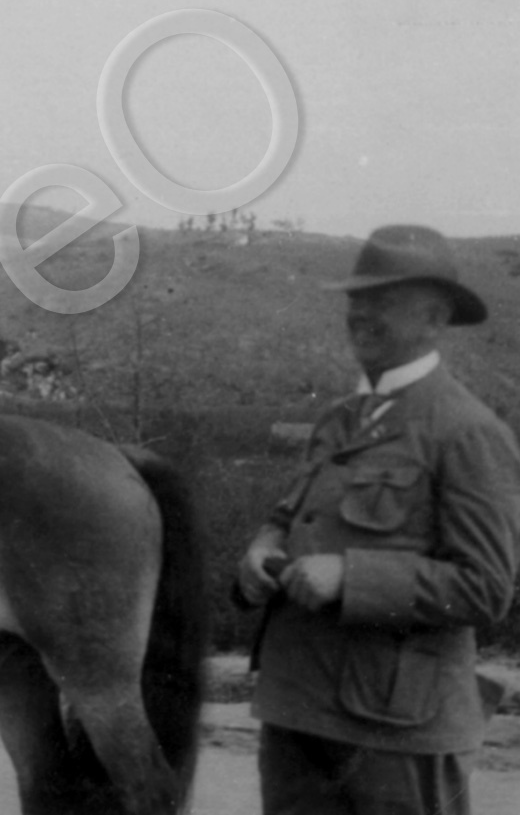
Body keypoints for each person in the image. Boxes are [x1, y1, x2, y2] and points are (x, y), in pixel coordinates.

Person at [235, 224, 520, 815]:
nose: (360, 314)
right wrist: (262, 548)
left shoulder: (467, 432)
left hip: (396, 730)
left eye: (382, 300)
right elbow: (290, 516)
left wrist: (351, 577)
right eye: (356, 299)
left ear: (435, 319)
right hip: (298, 709)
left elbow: (487, 588)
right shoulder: (339, 420)